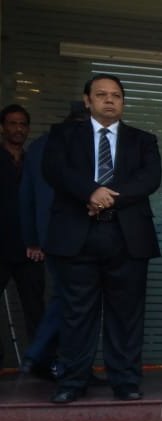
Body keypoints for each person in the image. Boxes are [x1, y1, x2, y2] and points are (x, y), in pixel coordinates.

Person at [42, 74, 162, 403]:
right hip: (77, 235)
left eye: (116, 95)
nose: (109, 100)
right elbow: (55, 170)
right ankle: (72, 381)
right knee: (77, 314)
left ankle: (125, 380)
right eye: (101, 94)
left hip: (127, 237)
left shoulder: (143, 140)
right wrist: (90, 192)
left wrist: (107, 197)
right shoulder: (63, 135)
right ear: (87, 100)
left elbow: (150, 178)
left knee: (126, 315)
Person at [19, 102, 90, 380]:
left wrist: (33, 239)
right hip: (78, 233)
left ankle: (56, 361)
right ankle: (40, 354)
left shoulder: (38, 147)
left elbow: (26, 196)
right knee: (72, 299)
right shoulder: (82, 144)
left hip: (47, 233)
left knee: (67, 296)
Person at [0, 104, 45, 370]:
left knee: (35, 307)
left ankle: (40, 362)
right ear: (2, 127)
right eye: (12, 123)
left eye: (23, 124)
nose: (18, 129)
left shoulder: (33, 161)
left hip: (30, 247)